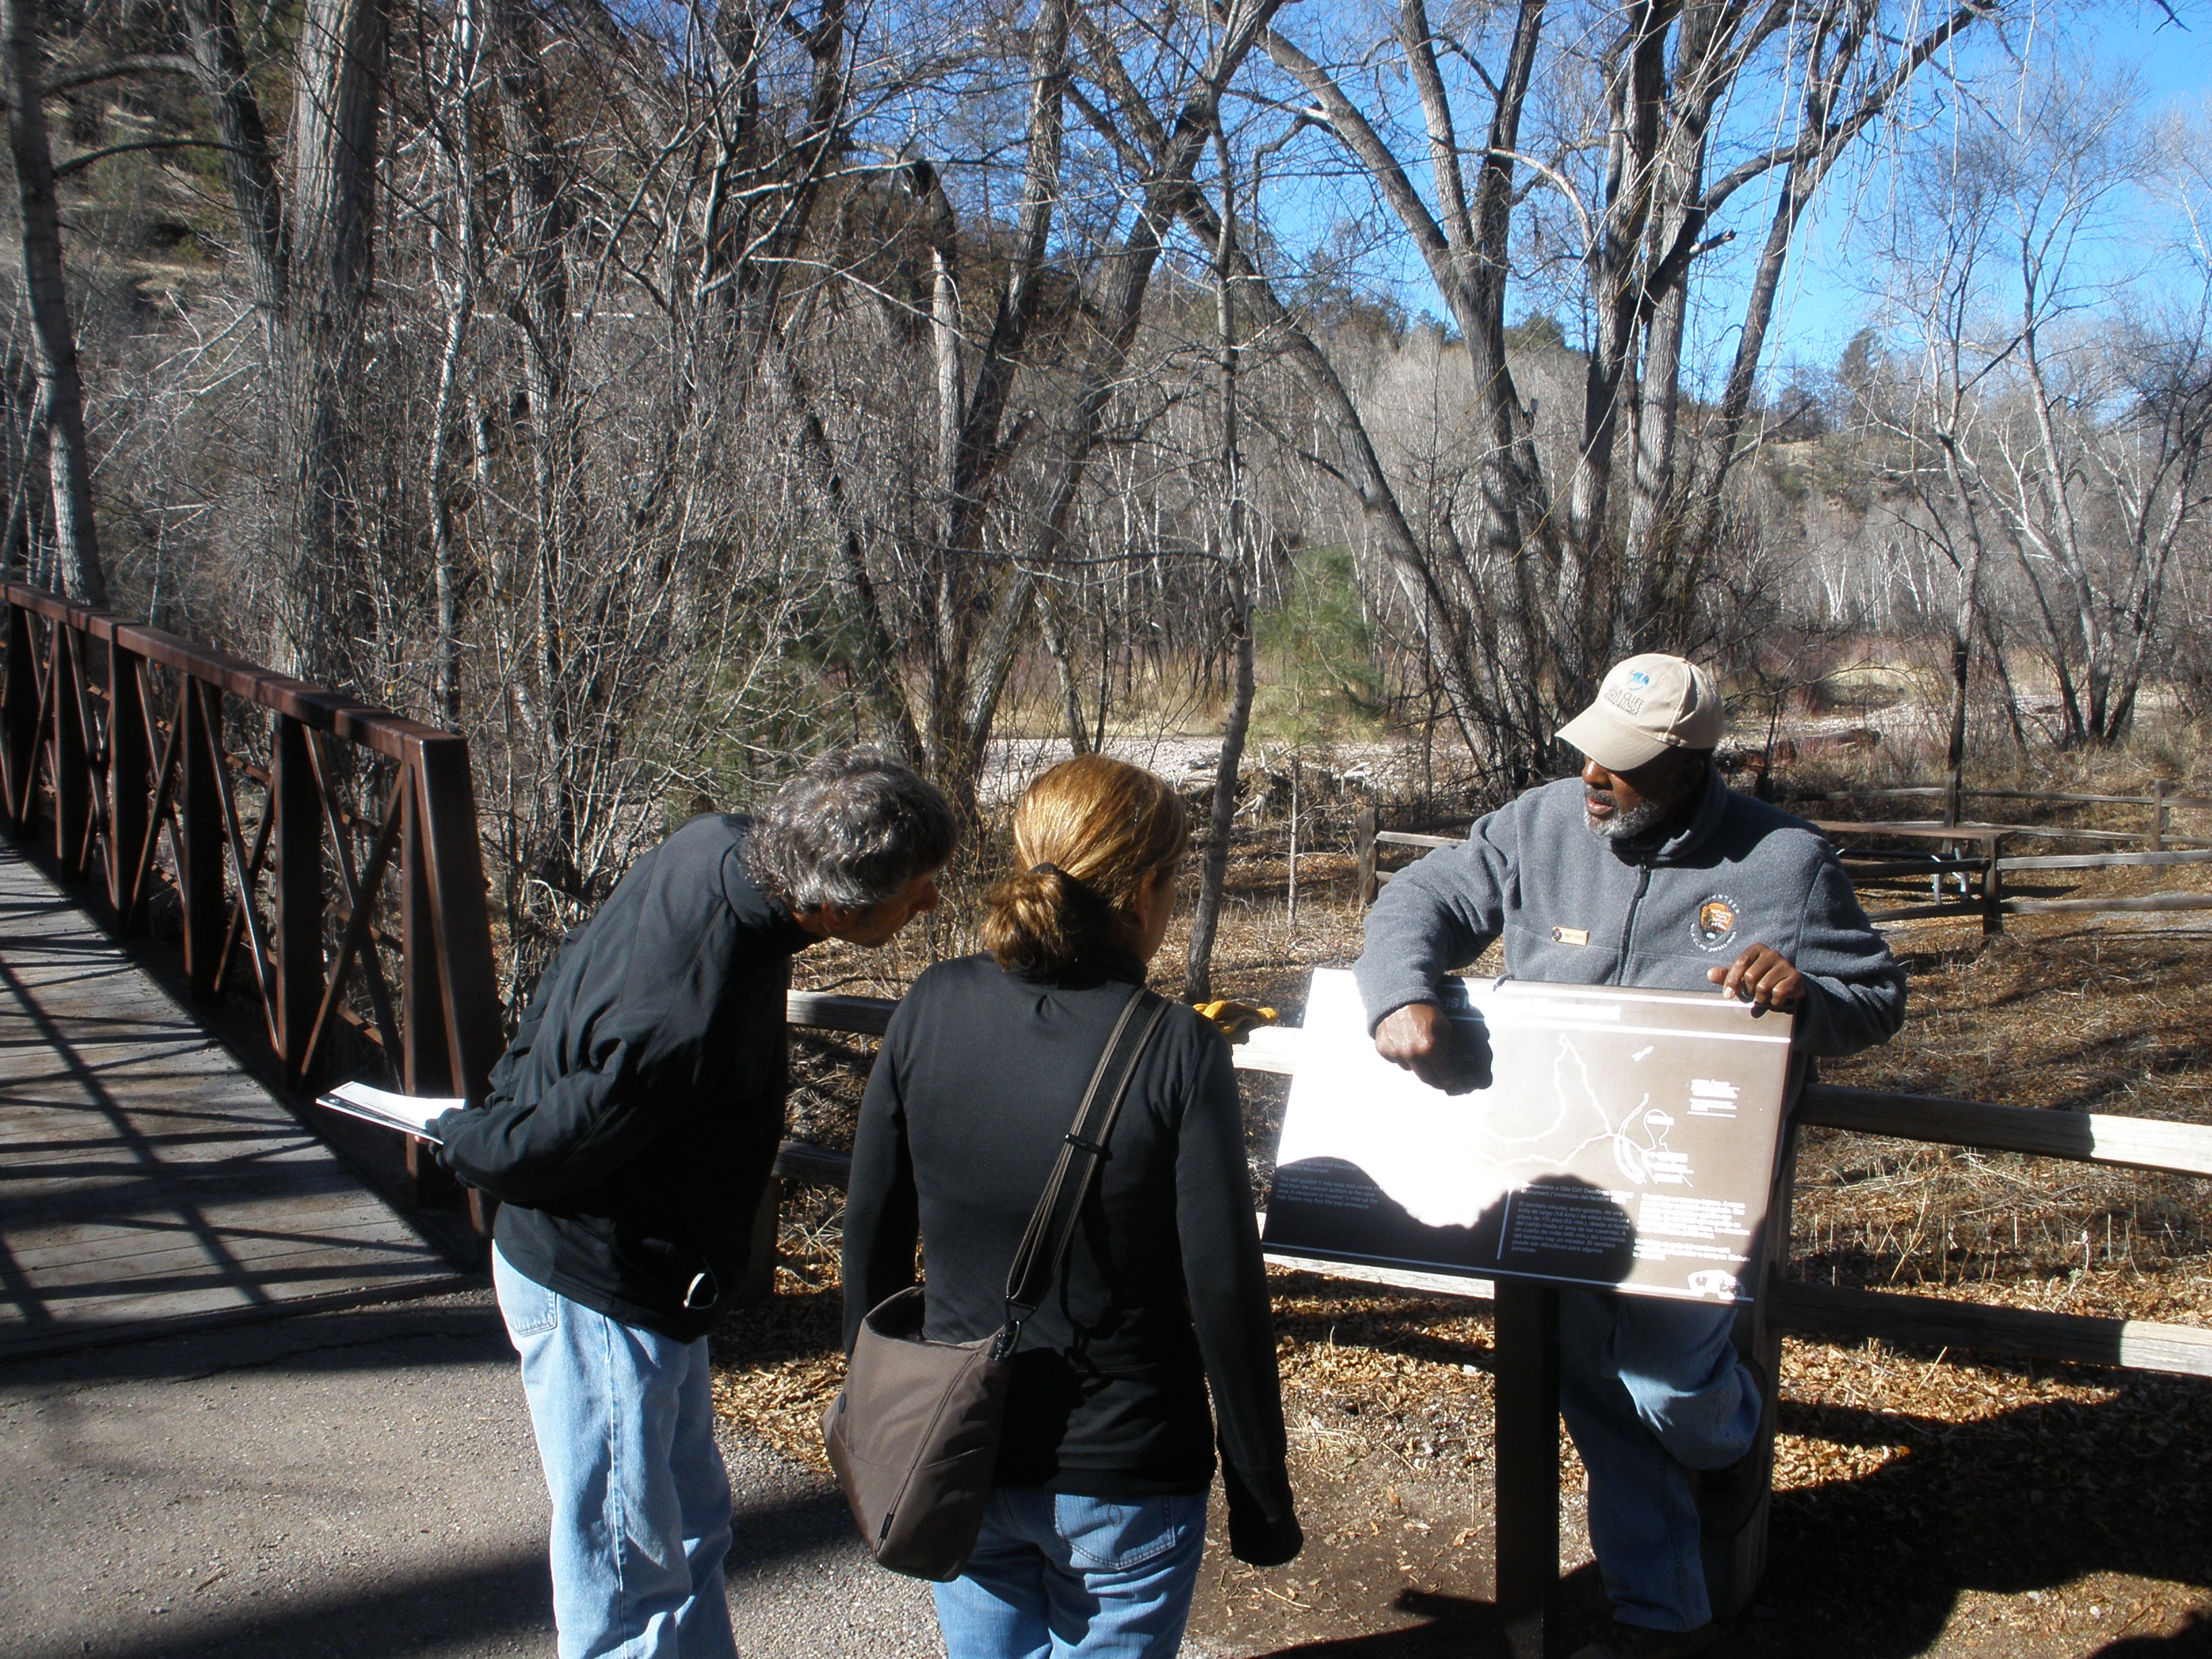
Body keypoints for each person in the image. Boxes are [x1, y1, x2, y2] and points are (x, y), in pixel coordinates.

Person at [1353, 653, 1906, 1659]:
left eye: (1622, 766)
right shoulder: (1538, 827)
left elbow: (1877, 999)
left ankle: (1733, 1442)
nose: (1594, 780)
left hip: (1696, 1188)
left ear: (1693, 763)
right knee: (1600, 1402)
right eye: (1589, 755)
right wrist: (1402, 994)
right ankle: (1664, 1619)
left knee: (1660, 1381)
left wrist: (1804, 995)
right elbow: (1413, 904)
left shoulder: (1785, 862)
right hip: (1558, 1174)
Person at [435, 749, 957, 1659]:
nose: (933, 904)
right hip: (601, 1282)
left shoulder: (714, 848)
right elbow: (556, 1139)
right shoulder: (693, 1004)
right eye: (917, 890)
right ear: (835, 907)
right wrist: (472, 1136)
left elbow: (571, 973)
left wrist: (505, 1085)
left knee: (686, 1529)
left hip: (657, 1277)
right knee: (631, 1575)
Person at [842, 754, 1302, 1658]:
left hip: (959, 1443)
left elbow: (873, 1231)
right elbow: (1222, 1289)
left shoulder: (931, 1007)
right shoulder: (1176, 1050)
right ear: (1144, 889)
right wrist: (1259, 1484)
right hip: (1126, 1465)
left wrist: (877, 1424)